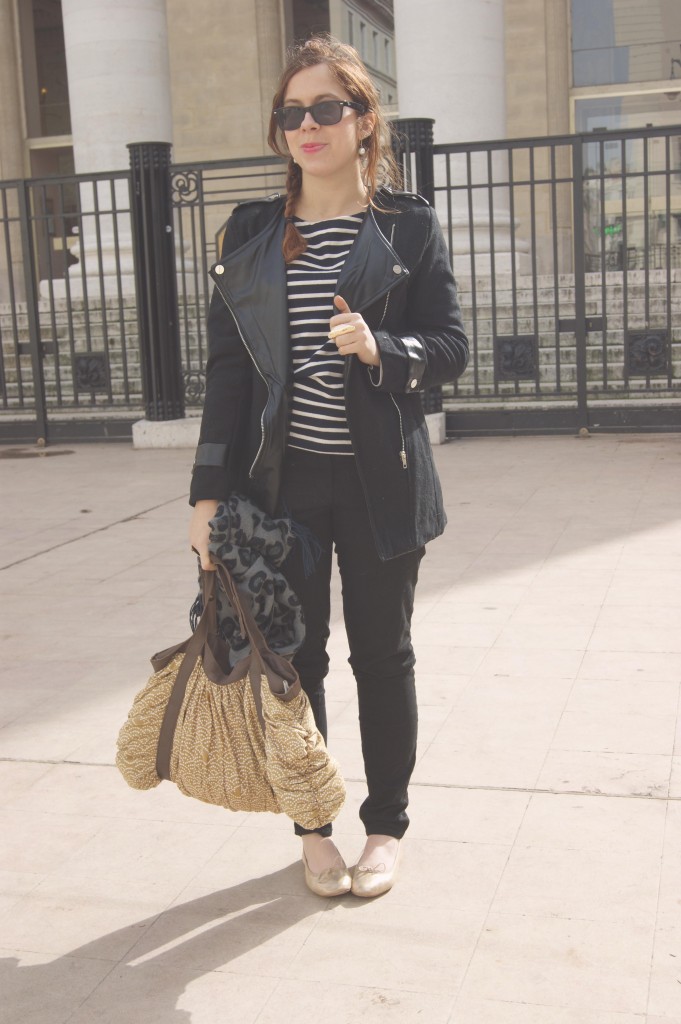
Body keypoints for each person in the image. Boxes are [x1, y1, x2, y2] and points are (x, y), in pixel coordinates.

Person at [189, 34, 469, 898]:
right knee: (293, 660)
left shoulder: (407, 226)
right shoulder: (253, 231)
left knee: (382, 656)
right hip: (282, 486)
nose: (305, 126)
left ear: (362, 120)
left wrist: (382, 347)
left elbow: (451, 347)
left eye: (324, 108)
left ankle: (384, 827)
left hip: (382, 480)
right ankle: (311, 828)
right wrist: (205, 496)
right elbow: (229, 375)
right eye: (291, 113)